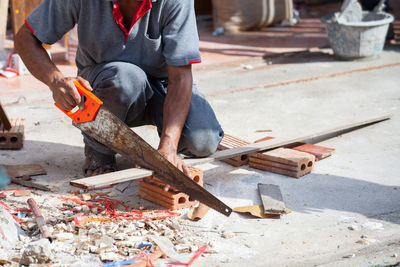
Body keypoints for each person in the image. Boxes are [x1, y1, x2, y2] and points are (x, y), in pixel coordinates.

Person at [14, 0, 224, 177]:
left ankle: (155, 136)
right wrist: (55, 81)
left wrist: (168, 146)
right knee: (127, 79)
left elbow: (180, 77)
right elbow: (25, 38)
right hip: (106, 83)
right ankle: (98, 149)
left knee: (202, 140)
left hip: (162, 84)